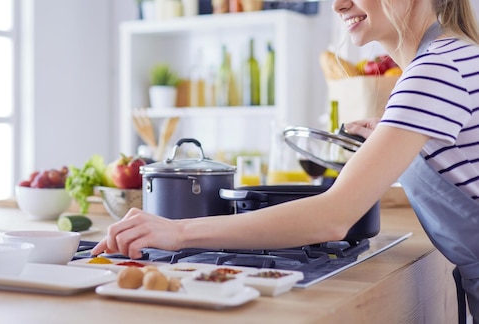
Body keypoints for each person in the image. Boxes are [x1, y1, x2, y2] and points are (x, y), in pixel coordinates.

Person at [93, 0, 479, 322]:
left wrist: (177, 233)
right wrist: (392, 132)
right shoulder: (451, 56)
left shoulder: (435, 70)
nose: (337, 4)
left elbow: (334, 216)